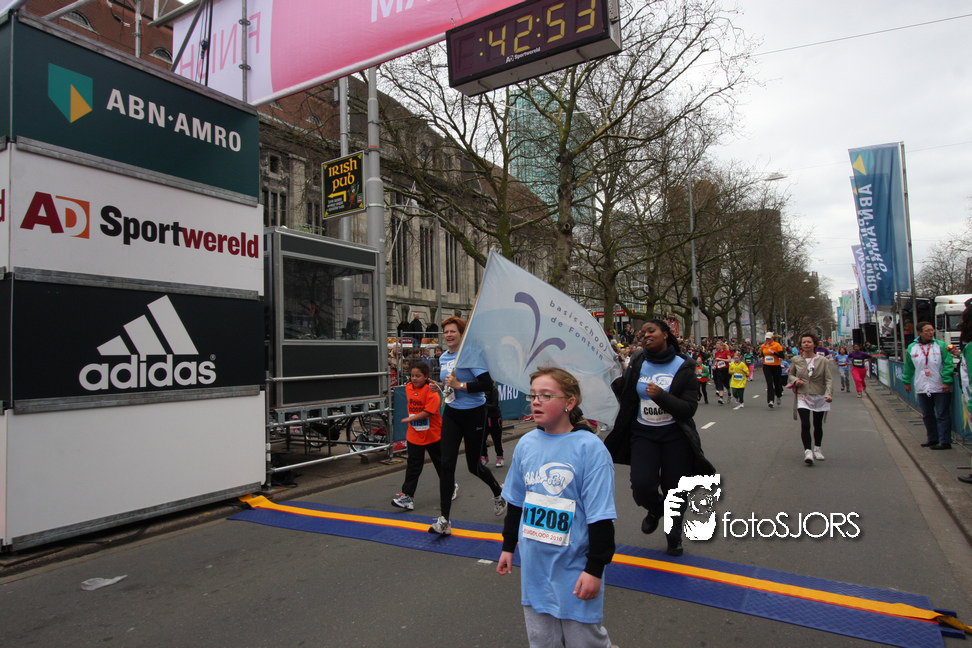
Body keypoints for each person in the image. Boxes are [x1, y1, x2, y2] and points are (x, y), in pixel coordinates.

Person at [497, 367, 616, 648]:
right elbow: (516, 502)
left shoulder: (590, 449)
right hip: (535, 568)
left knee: (583, 641)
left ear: (569, 402)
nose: (536, 402)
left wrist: (595, 568)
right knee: (541, 640)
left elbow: (601, 516)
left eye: (546, 395)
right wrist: (508, 546)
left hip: (575, 566)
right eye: (533, 395)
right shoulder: (526, 444)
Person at [604, 319, 715, 557]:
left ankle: (674, 536)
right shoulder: (638, 361)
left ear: (665, 334)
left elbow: (688, 409)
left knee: (676, 490)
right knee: (642, 486)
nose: (645, 335)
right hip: (644, 433)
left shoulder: (683, 365)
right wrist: (618, 383)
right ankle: (656, 509)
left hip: (676, 436)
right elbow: (628, 397)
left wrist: (661, 396)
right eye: (642, 332)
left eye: (651, 331)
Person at [429, 316, 506, 535]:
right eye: (446, 332)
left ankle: (498, 492)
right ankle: (444, 520)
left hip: (474, 414)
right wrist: (441, 387)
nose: (449, 335)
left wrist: (460, 385)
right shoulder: (444, 357)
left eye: (453, 331)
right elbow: (450, 384)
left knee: (474, 466)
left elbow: (487, 385)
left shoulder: (471, 353)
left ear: (462, 334)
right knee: (446, 465)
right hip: (452, 413)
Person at [392, 361, 444, 510]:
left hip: (432, 434)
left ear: (426, 376)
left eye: (418, 376)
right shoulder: (408, 387)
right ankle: (407, 496)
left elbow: (428, 412)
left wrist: (411, 418)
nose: (414, 378)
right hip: (414, 434)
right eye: (412, 375)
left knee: (440, 464)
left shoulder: (432, 392)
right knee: (414, 465)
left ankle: (450, 485)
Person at [902, 322, 954, 450]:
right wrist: (906, 381)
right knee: (927, 415)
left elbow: (948, 364)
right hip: (922, 386)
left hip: (940, 386)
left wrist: (946, 381)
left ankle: (945, 441)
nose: (931, 333)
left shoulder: (941, 346)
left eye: (932, 330)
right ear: (920, 332)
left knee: (942, 414)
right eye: (927, 331)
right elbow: (908, 366)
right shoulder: (912, 347)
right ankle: (932, 439)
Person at [787, 332, 834, 465]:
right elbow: (790, 374)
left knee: (817, 424)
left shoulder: (823, 361)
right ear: (801, 345)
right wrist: (796, 380)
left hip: (819, 395)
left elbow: (829, 379)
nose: (806, 344)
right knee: (805, 424)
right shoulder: (796, 360)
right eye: (804, 342)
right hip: (803, 395)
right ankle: (808, 451)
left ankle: (817, 448)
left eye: (809, 342)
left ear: (814, 344)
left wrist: (828, 394)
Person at [481, 381, 505, 468]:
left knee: (497, 438)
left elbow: (494, 405)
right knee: (482, 438)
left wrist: (483, 404)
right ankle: (484, 456)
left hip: (495, 417)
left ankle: (500, 457)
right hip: (484, 418)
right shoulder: (480, 390)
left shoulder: (493, 389)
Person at [759, 332, 786, 408]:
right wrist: (762, 357)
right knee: (769, 383)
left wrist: (774, 353)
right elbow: (763, 354)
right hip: (767, 366)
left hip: (776, 366)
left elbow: (782, 356)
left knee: (777, 383)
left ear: (772, 338)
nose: (768, 340)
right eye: (767, 339)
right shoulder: (763, 346)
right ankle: (770, 400)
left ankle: (778, 395)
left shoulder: (777, 345)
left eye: (769, 339)